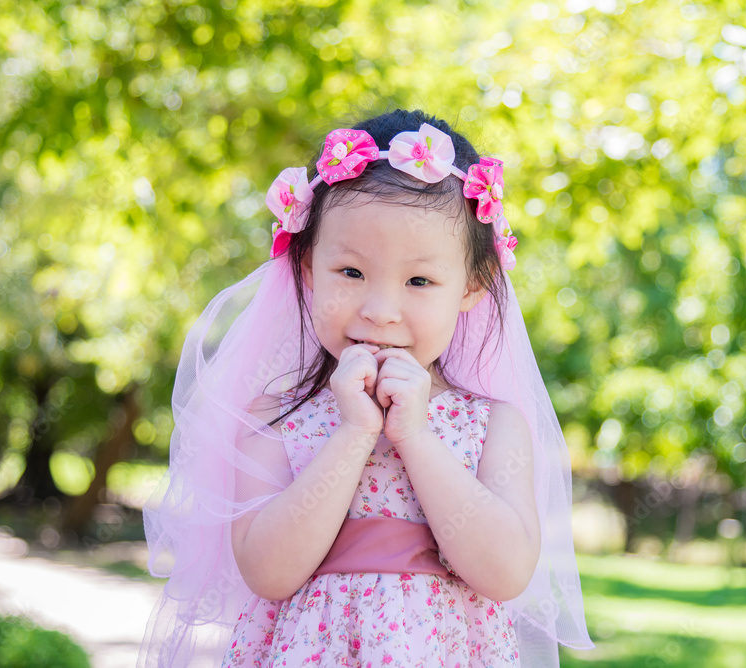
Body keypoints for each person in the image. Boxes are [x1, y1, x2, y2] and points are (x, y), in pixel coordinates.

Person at [138, 109, 593, 667]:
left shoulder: (491, 424)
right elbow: (268, 572)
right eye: (350, 273)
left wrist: (417, 437)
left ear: (473, 287)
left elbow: (505, 573)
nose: (379, 311)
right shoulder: (277, 419)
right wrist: (353, 433)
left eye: (419, 281)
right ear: (307, 265)